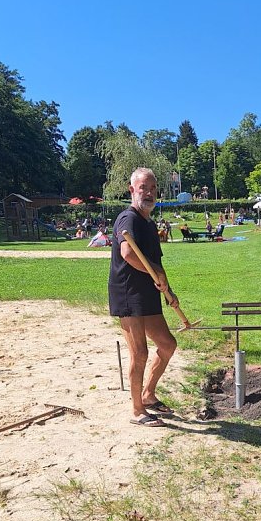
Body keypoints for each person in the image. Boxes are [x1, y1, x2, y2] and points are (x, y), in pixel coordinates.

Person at [108, 167, 179, 427]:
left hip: (147, 293)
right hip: (128, 293)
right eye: (143, 188)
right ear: (132, 190)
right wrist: (156, 273)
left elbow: (155, 264)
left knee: (168, 344)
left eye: (152, 188)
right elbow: (128, 254)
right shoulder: (128, 219)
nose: (149, 193)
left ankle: (148, 394)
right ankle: (137, 411)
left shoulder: (148, 223)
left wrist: (168, 290)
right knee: (139, 353)